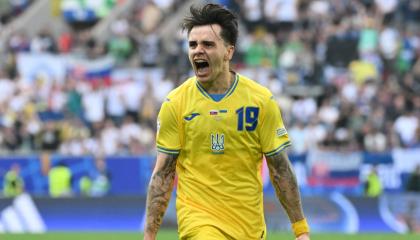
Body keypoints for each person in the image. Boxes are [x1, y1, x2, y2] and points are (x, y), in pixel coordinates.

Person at [144, 4, 310, 240]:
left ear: (228, 51)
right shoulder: (176, 104)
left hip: (249, 228)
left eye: (207, 44)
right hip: (199, 223)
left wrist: (300, 230)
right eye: (192, 45)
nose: (197, 51)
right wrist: (149, 235)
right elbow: (163, 174)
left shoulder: (260, 101)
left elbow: (280, 169)